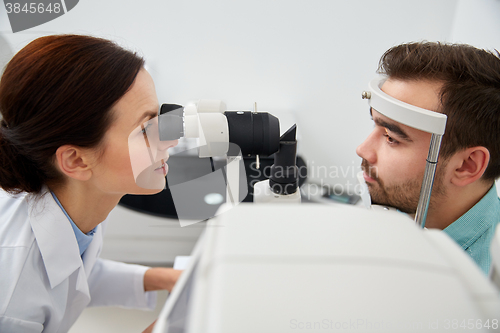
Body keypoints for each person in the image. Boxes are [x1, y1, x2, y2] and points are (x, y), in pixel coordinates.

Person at [0, 34, 181, 332]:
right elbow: (41, 282)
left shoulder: (80, 199)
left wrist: (163, 278)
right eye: (146, 129)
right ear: (76, 160)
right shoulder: (11, 293)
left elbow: (73, 274)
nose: (171, 139)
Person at [357, 42, 500, 274]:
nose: (363, 149)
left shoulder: (484, 286)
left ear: (466, 165)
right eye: (375, 124)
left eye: (391, 137)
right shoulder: (400, 200)